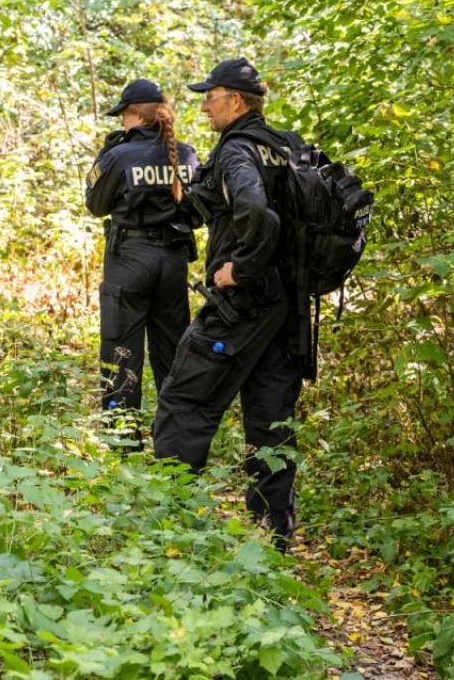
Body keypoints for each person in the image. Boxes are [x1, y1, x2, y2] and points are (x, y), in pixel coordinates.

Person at [152, 57, 306, 551]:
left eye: (210, 96)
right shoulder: (285, 147)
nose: (203, 105)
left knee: (184, 399)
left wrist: (239, 269)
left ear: (235, 101)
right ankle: (273, 535)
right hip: (287, 308)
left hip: (243, 305)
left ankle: (169, 526)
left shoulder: (239, 151)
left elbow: (259, 215)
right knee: (271, 420)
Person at [85, 79, 199, 448]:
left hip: (130, 261)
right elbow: (198, 211)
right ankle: (175, 447)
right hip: (173, 262)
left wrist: (106, 155)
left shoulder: (119, 156)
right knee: (173, 355)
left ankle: (122, 444)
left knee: (121, 351)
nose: (120, 123)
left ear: (135, 115)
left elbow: (95, 204)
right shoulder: (187, 153)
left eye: (123, 116)